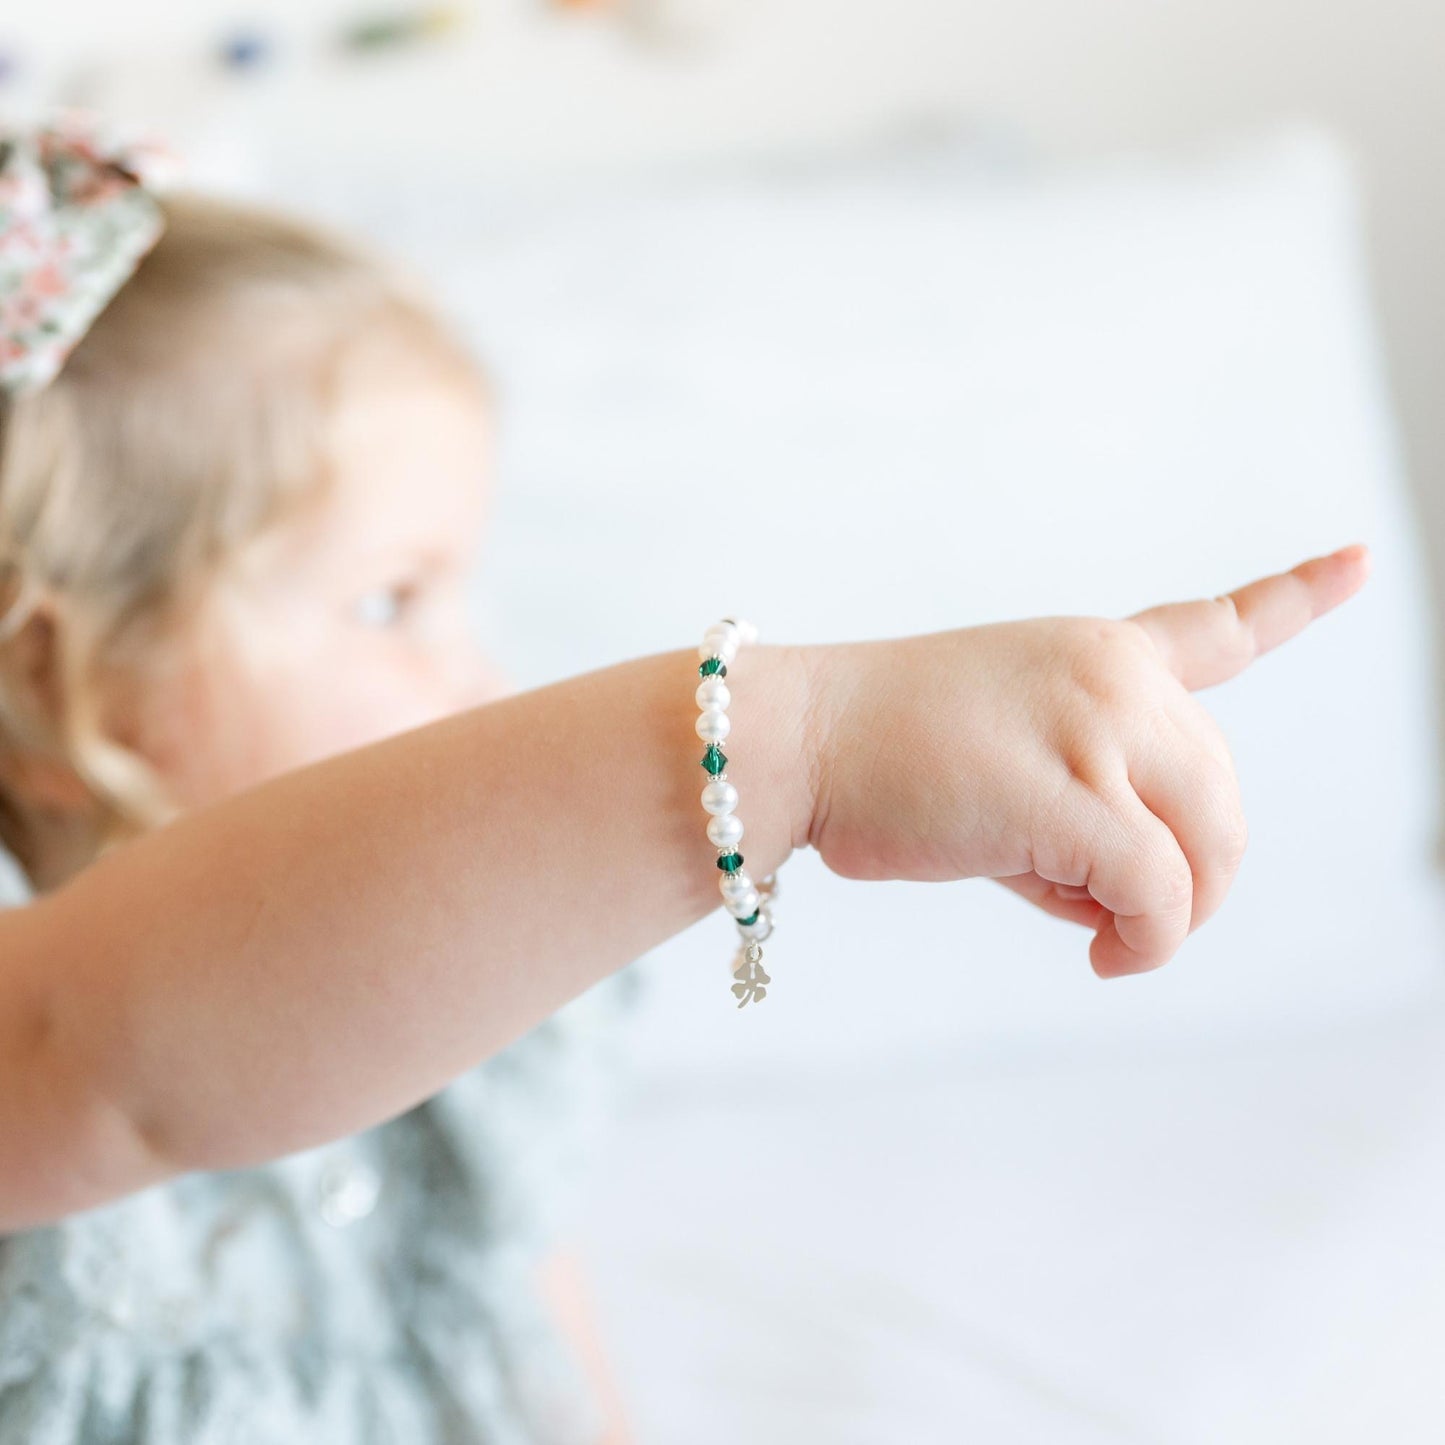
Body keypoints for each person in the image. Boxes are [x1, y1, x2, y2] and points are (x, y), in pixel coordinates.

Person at [0, 114, 1373, 1443]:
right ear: (56, 672)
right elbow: (121, 1047)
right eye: (388, 603)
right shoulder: (39, 1047)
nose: (475, 677)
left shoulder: (473, 1025)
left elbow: (532, 1365)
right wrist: (792, 742)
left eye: (456, 597)